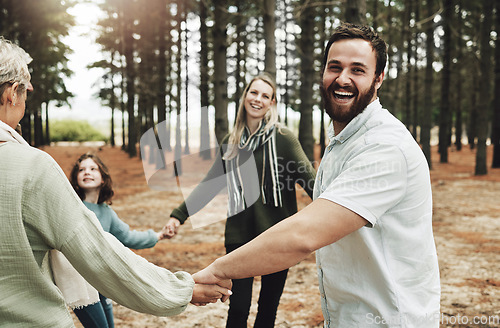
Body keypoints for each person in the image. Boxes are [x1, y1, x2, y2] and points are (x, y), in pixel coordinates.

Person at [192, 23, 441, 328]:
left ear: (379, 79)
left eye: (358, 70)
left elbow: (304, 234)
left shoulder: (385, 148)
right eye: (334, 67)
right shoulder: (341, 140)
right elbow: (211, 184)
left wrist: (218, 270)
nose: (342, 78)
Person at [0, 36, 231, 327]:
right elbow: (99, 254)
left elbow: (124, 237)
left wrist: (157, 236)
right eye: (25, 91)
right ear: (12, 93)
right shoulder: (32, 167)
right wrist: (180, 290)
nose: (26, 97)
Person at [162, 72, 316, 327]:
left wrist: (338, 216)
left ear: (272, 104)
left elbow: (312, 183)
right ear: (245, 97)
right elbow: (208, 187)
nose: (258, 99)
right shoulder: (231, 144)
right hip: (240, 237)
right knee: (238, 309)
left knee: (268, 309)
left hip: (277, 237)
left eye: (265, 96)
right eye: (253, 93)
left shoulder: (283, 139)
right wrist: (178, 216)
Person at [56, 152, 168, 328]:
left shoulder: (107, 212)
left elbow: (128, 237)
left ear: (102, 179)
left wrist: (157, 236)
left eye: (93, 169)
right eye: (81, 170)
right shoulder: (72, 207)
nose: (87, 172)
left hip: (101, 282)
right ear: (75, 179)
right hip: (81, 283)